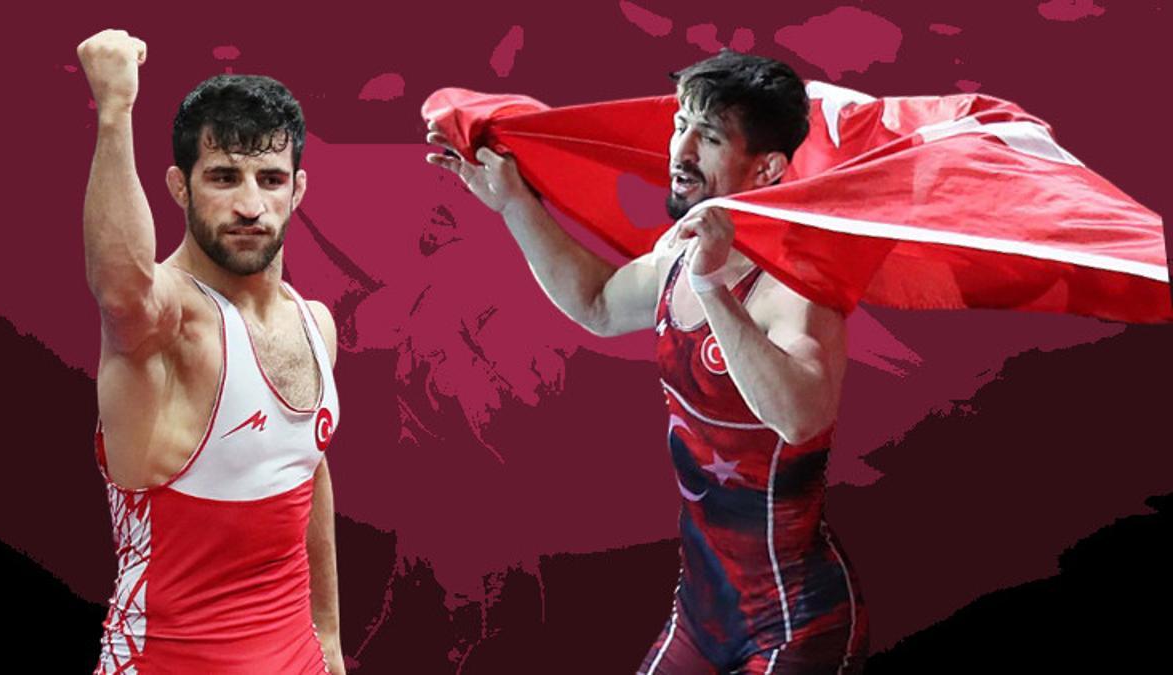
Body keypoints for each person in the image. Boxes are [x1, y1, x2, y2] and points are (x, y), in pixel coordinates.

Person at [427, 50, 867, 673]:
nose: (680, 151)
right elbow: (598, 304)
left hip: (797, 623)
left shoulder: (797, 285)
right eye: (680, 125)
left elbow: (801, 417)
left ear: (767, 167)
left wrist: (713, 289)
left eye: (708, 137)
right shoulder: (677, 256)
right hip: (702, 615)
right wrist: (515, 204)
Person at [78, 29, 343, 674]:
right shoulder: (167, 321)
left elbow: (307, 470)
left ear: (297, 190)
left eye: (270, 179)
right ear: (180, 186)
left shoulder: (315, 324)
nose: (251, 205)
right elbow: (122, 290)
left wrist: (330, 639)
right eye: (224, 177)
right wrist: (115, 113)